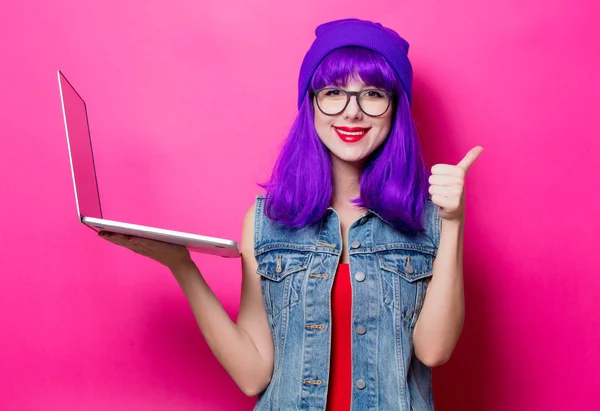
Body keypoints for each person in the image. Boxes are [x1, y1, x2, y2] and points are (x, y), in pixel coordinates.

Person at [99, 18, 482, 411]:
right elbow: (253, 374)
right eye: (334, 92)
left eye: (372, 93)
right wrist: (182, 267)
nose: (352, 112)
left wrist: (453, 222)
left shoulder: (428, 220)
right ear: (311, 103)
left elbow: (435, 351)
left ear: (395, 107)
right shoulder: (267, 221)